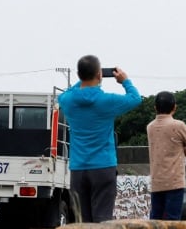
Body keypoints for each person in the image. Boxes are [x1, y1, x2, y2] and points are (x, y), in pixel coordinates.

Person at [57, 55, 142, 223]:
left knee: (82, 222)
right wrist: (125, 81)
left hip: (78, 169)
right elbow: (135, 98)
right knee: (102, 221)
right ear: (99, 74)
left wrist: (82, 80)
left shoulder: (68, 101)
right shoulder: (107, 101)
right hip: (103, 167)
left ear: (78, 75)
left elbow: (65, 94)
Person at [146, 91, 186, 220]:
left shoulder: (150, 127)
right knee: (173, 219)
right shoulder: (179, 125)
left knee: (155, 218)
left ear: (155, 108)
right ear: (174, 107)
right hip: (175, 181)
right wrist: (178, 153)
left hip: (157, 180)